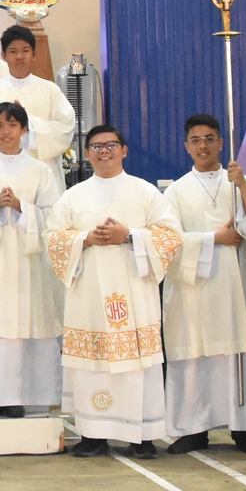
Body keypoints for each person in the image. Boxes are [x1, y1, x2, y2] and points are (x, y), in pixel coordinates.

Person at [44, 125, 184, 459]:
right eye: (96, 146)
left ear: (124, 150)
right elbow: (53, 238)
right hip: (90, 295)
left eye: (110, 145)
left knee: (138, 365)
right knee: (93, 364)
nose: (103, 151)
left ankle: (143, 434)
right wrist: (84, 240)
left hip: (134, 292)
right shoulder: (73, 196)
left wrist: (130, 235)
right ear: (87, 153)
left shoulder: (145, 192)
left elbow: (170, 235)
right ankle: (94, 433)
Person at [162, 115, 246, 457]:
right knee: (196, 357)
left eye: (209, 139)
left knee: (240, 354)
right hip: (195, 289)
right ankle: (194, 429)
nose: (203, 146)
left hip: (237, 284)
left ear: (220, 143)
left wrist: (243, 186)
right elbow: (168, 241)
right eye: (196, 140)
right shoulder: (175, 192)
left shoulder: (238, 181)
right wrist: (216, 238)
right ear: (187, 146)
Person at [0, 102, 64, 419]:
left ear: (23, 130)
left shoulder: (40, 170)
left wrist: (22, 208)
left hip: (28, 261)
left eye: (12, 125)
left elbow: (55, 216)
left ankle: (20, 396)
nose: (5, 132)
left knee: (25, 324)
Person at [0, 26, 76, 176]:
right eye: (13, 51)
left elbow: (65, 128)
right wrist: (9, 134)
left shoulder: (50, 90)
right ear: (3, 55)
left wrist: (27, 123)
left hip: (42, 171)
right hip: (0, 171)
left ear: (34, 54)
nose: (19, 56)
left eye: (25, 50)